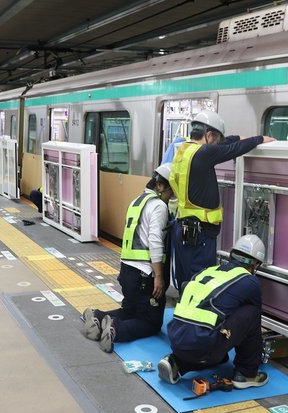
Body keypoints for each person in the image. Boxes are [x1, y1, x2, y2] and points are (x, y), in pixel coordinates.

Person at [169, 109, 275, 292]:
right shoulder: (203, 154)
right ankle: (196, 318)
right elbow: (230, 149)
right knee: (201, 286)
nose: (217, 145)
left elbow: (224, 144)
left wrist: (236, 137)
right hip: (199, 235)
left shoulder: (184, 150)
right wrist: (260, 139)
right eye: (216, 140)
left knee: (186, 283)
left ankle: (183, 314)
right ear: (209, 135)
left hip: (184, 230)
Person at [82, 164, 174, 353]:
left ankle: (98, 316)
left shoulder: (137, 201)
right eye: (170, 193)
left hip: (126, 271)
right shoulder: (158, 206)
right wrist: (159, 275)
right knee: (151, 322)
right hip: (144, 275)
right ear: (160, 186)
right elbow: (155, 240)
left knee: (131, 310)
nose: (170, 198)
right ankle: (116, 329)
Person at [158, 234, 268, 389]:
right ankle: (246, 373)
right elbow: (252, 322)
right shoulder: (250, 282)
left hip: (176, 340)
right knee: (252, 313)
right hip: (204, 347)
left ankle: (178, 363)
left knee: (217, 354)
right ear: (256, 265)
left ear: (231, 256)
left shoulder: (208, 271)